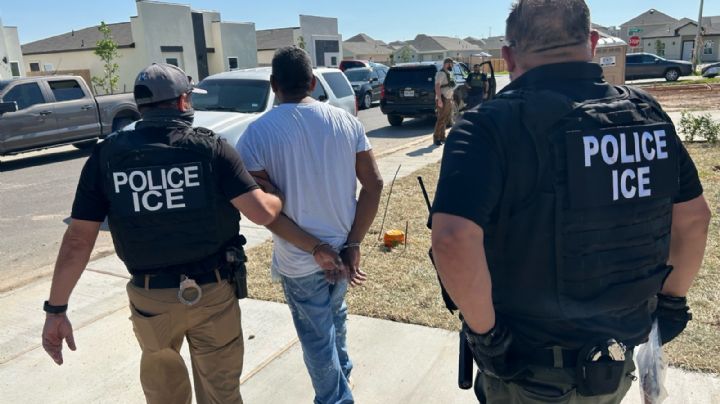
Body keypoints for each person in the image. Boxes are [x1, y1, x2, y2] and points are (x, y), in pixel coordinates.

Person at [430, 1, 711, 403]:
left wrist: (487, 336)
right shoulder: (646, 113)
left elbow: (453, 239)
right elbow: (694, 218)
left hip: (532, 371)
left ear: (509, 55)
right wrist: (672, 300)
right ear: (592, 43)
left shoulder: (486, 126)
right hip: (615, 361)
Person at [41, 63, 284, 404]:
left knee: (164, 397)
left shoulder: (107, 155)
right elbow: (262, 213)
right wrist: (275, 194)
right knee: (222, 395)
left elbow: (78, 241)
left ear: (141, 106)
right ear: (183, 102)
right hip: (213, 292)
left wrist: (56, 310)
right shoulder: (211, 149)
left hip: (150, 299)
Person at [237, 46, 384, 404]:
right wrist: (353, 243)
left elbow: (264, 211)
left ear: (274, 84)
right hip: (342, 249)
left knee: (318, 338)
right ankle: (342, 378)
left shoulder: (255, 135)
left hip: (300, 260)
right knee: (335, 319)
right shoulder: (347, 122)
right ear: (313, 83)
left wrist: (317, 249)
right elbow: (374, 185)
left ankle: (336, 398)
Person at [434, 57, 456, 146]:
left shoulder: (448, 73)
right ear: (447, 64)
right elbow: (437, 86)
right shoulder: (440, 73)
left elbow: (450, 86)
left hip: (448, 98)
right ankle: (436, 138)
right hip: (443, 98)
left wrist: (451, 98)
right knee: (441, 119)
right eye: (451, 64)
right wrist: (439, 100)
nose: (452, 66)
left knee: (446, 119)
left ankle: (442, 136)